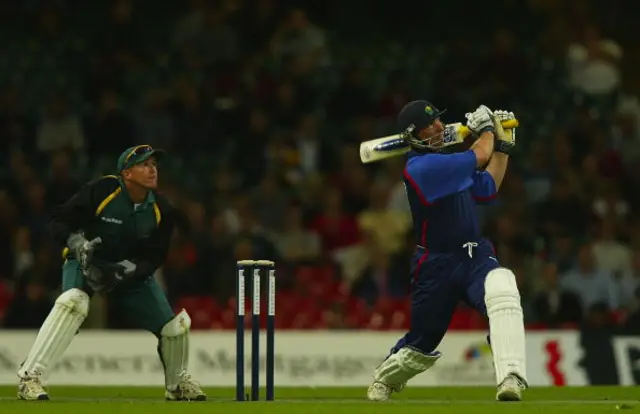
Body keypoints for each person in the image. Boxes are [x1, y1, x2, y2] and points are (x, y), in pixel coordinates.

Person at [17, 145, 206, 402]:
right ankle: (31, 378)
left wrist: (130, 269)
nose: (152, 169)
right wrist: (76, 242)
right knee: (73, 302)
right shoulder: (103, 190)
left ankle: (177, 385)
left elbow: (155, 256)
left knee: (175, 328)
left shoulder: (161, 209)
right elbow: (58, 219)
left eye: (154, 164)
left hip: (127, 272)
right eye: (144, 164)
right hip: (86, 261)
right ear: (126, 173)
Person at [366, 101, 527, 401]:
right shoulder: (421, 168)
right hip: (436, 263)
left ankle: (511, 377)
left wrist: (502, 148)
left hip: (475, 254)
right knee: (421, 344)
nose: (441, 127)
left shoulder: (449, 164)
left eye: (440, 121)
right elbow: (479, 155)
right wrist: (489, 129)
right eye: (432, 125)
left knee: (503, 291)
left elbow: (488, 186)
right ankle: (385, 378)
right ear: (415, 134)